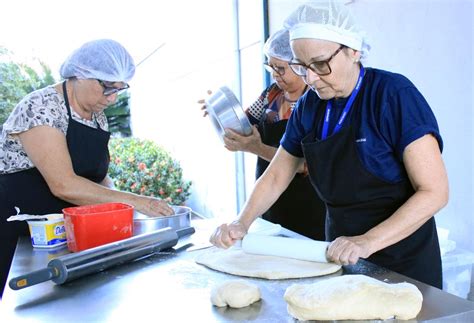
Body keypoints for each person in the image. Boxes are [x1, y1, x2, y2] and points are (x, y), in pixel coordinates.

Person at [210, 1, 448, 289]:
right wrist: (241, 223)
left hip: (404, 263)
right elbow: (276, 176)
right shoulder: (309, 107)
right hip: (338, 254)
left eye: (320, 64)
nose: (310, 78)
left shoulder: (393, 96)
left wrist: (367, 241)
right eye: (301, 67)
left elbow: (435, 192)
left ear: (353, 50)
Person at [0, 39, 174, 297]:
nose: (113, 98)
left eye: (120, 89)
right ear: (80, 75)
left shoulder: (96, 116)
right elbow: (64, 184)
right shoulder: (41, 107)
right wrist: (134, 201)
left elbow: (99, 178)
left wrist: (124, 214)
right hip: (15, 232)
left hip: (60, 234)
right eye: (107, 88)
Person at [205, 29, 326, 240]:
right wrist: (219, 112)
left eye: (280, 68)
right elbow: (242, 125)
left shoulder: (315, 103)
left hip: (309, 205)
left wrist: (255, 147)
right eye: (270, 67)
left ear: (299, 65)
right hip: (270, 200)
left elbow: (306, 165)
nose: (274, 74)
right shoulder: (271, 95)